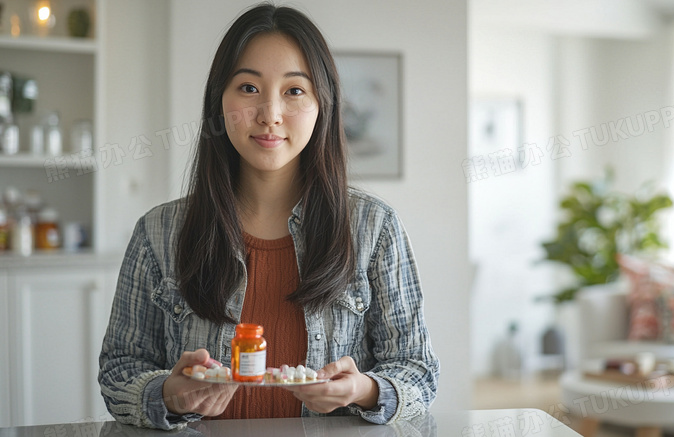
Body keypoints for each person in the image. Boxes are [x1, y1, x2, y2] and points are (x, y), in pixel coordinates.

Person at [97, 3, 439, 430]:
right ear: (219, 101)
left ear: (322, 105)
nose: (270, 114)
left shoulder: (375, 229)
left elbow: (418, 372)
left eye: (294, 91)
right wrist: (168, 393)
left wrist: (363, 390)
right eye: (248, 88)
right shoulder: (158, 233)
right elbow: (117, 371)